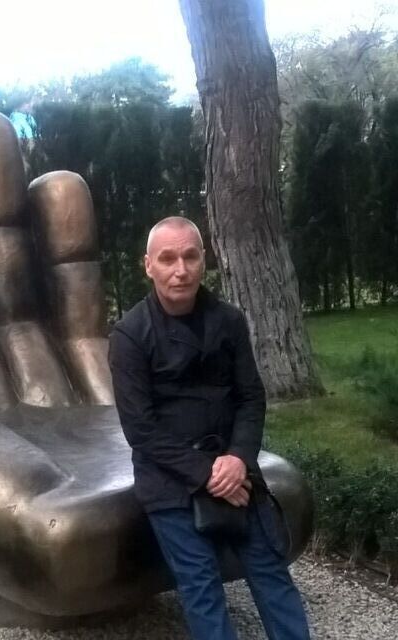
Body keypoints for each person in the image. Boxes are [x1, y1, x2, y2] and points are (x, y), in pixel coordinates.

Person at [108, 216, 311, 640]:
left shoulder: (229, 321)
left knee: (270, 569)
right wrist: (208, 474)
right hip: (170, 479)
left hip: (234, 468)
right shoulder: (129, 335)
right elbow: (140, 428)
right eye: (168, 259)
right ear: (148, 265)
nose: (180, 270)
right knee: (200, 586)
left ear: (204, 260)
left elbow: (251, 398)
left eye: (190, 256)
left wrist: (237, 459)